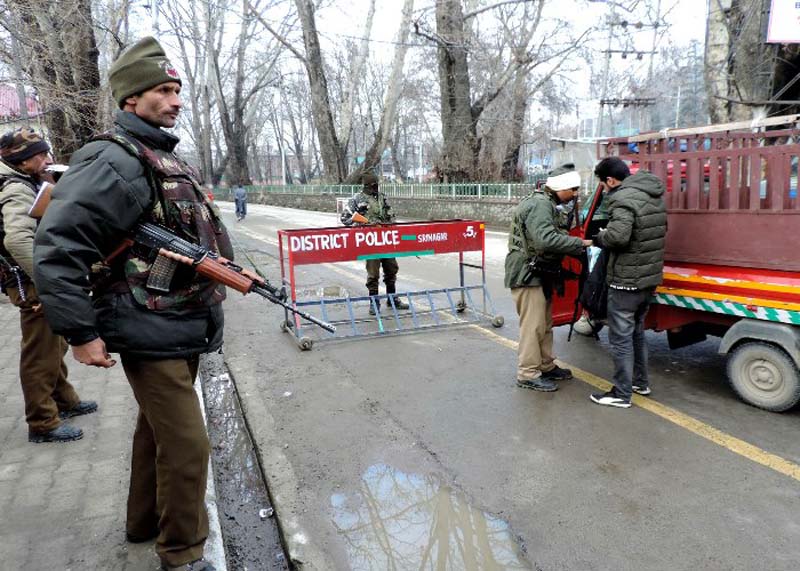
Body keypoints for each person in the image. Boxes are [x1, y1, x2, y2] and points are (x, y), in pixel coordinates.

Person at [33, 37, 225, 571]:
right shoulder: (113, 159)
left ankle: (144, 524)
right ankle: (183, 555)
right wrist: (80, 332)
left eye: (177, 90)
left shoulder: (158, 156)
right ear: (130, 98)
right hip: (146, 323)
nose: (176, 100)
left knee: (157, 434)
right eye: (162, 90)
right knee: (188, 446)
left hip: (175, 321)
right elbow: (58, 246)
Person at [0, 128, 97, 443]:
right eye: (40, 155)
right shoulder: (16, 187)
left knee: (55, 343)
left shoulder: (23, 179)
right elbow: (16, 239)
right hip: (30, 281)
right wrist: (47, 279)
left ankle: (63, 400)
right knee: (40, 351)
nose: (46, 159)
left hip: (33, 278)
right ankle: (42, 423)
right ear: (22, 160)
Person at [505, 164, 592, 392]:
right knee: (533, 326)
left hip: (538, 273)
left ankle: (545, 365)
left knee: (544, 324)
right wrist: (579, 243)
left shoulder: (546, 203)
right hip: (528, 274)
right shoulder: (541, 205)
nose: (575, 194)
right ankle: (528, 373)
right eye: (572, 189)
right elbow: (545, 240)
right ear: (561, 187)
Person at [589, 157, 666, 409]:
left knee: (620, 338)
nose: (604, 189)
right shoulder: (652, 195)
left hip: (626, 281)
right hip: (648, 279)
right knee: (636, 332)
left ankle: (621, 394)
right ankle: (640, 382)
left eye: (603, 184)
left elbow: (618, 237)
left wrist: (599, 237)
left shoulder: (622, 199)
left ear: (611, 181)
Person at [340, 172, 409, 314]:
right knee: (373, 274)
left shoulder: (382, 197)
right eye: (373, 185)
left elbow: (391, 215)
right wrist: (360, 221)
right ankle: (374, 302)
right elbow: (345, 218)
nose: (376, 188)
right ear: (366, 186)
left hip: (385, 240)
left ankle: (392, 299)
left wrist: (390, 225)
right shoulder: (357, 199)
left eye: (377, 185)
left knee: (391, 269)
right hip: (370, 242)